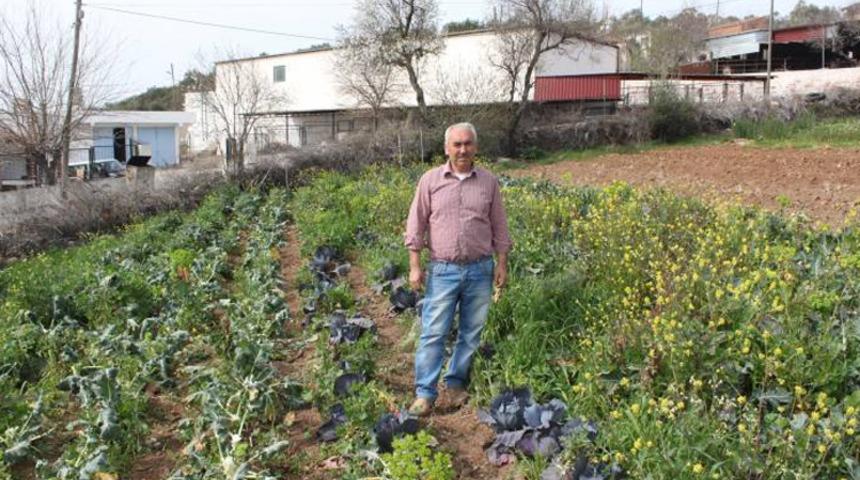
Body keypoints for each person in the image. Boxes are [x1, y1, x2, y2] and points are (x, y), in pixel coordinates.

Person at [404, 122, 512, 417]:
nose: (462, 149)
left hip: (480, 269)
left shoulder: (488, 182)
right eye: (457, 144)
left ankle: (455, 383)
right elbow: (416, 224)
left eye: (467, 144)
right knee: (433, 332)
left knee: (470, 333)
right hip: (443, 270)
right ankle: (425, 393)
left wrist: (502, 264)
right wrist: (415, 266)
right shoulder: (430, 181)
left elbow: (499, 225)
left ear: (475, 147)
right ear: (446, 148)